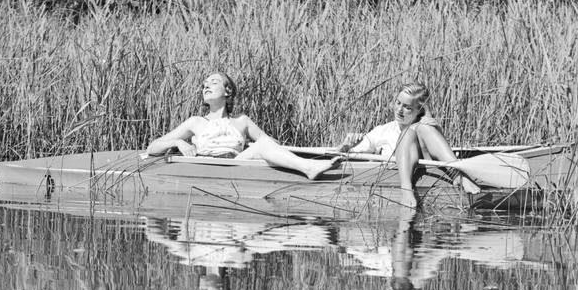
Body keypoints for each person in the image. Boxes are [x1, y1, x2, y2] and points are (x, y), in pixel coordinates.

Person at [144, 71, 342, 181]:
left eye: (213, 82)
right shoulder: (196, 122)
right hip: (207, 165)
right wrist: (180, 142)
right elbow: (152, 148)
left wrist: (261, 143)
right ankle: (309, 168)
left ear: (227, 91)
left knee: (264, 142)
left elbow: (269, 142)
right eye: (204, 84)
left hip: (235, 163)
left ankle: (309, 166)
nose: (206, 86)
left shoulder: (242, 121)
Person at [338, 81, 456, 197]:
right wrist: (346, 146)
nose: (399, 110)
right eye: (398, 103)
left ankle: (458, 174)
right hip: (393, 188)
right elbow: (347, 154)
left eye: (407, 107)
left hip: (431, 187)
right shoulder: (382, 131)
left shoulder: (429, 128)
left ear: (420, 111)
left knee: (414, 133)